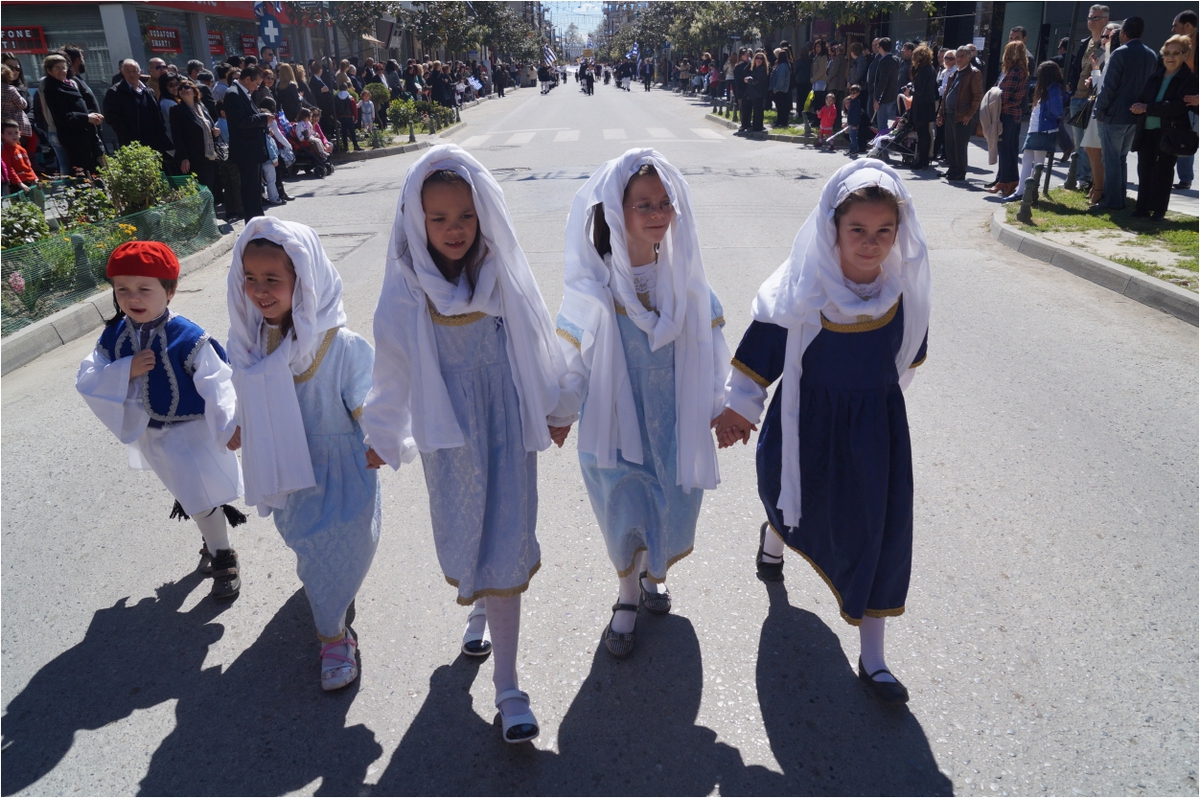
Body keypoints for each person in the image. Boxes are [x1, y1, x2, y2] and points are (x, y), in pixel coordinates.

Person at [362, 145, 572, 744]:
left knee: (506, 539)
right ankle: (478, 605)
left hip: (504, 424)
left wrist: (557, 406)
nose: (454, 230)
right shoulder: (408, 286)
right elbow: (393, 366)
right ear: (415, 220)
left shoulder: (498, 269)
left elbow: (534, 336)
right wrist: (382, 433)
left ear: (482, 216)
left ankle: (509, 687)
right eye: (439, 218)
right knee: (466, 537)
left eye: (465, 216)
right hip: (448, 435)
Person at [714, 160, 929, 706]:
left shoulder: (902, 295)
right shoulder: (802, 293)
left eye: (884, 231)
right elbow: (757, 356)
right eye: (857, 229)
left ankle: (874, 656)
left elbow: (905, 358)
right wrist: (738, 409)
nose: (871, 243)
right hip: (806, 428)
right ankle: (775, 536)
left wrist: (873, 411)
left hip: (876, 436)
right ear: (833, 228)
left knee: (877, 533)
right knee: (797, 506)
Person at [555, 149, 731, 662]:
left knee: (672, 503)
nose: (657, 213)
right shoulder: (597, 288)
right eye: (643, 204)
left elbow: (712, 345)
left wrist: (723, 402)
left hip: (675, 420)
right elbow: (573, 360)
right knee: (625, 504)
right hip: (616, 419)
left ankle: (656, 575)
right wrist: (561, 411)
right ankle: (629, 594)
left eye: (664, 203)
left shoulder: (685, 281)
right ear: (616, 210)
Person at [227, 217, 380, 691]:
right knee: (310, 545)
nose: (259, 290)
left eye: (273, 279)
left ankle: (335, 638)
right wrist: (239, 425)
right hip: (287, 466)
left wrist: (377, 437)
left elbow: (368, 399)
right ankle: (329, 606)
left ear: (305, 279)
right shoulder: (254, 341)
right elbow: (245, 392)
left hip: (342, 470)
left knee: (345, 543)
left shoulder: (341, 345)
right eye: (249, 278)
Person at [76, 241, 245, 600]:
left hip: (191, 433)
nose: (132, 297)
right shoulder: (116, 335)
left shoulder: (188, 336)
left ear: (170, 290)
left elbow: (219, 381)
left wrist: (229, 423)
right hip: (152, 435)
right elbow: (89, 377)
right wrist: (126, 369)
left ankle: (223, 554)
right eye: (122, 289)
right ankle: (211, 536)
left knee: (199, 496)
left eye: (143, 288)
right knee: (189, 493)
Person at [1092, 16, 1161, 211]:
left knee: (1112, 159)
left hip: (1114, 115)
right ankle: (1118, 199)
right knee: (1120, 158)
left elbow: (1109, 86)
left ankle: (1113, 201)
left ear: (1123, 33)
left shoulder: (1120, 53)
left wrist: (1100, 110)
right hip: (1137, 115)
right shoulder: (1151, 54)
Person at [1131, 35, 1198, 218]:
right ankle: (1141, 208)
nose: (1170, 57)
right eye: (1167, 53)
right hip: (1147, 129)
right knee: (1144, 169)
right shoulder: (1156, 75)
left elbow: (1177, 106)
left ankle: (1159, 210)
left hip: (1169, 131)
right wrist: (1138, 106)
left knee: (1164, 172)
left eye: (1176, 53)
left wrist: (1148, 107)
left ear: (1185, 55)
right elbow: (1144, 98)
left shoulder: (1189, 79)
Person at [1004, 61, 1066, 201]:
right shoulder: (1048, 88)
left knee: (1037, 161)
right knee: (1029, 159)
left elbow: (1057, 110)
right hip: (1037, 128)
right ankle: (1023, 191)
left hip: (1044, 129)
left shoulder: (1053, 89)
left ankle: (1028, 192)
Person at [1067, 5, 1112, 192]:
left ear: (1105, 20)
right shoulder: (1085, 42)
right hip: (1077, 98)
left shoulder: (1108, 45)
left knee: (1089, 144)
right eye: (1090, 17)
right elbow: (1076, 67)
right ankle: (1081, 177)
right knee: (1079, 143)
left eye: (1096, 18)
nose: (1091, 21)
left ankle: (1087, 179)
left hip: (1092, 100)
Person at [38, 53, 104, 173]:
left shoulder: (68, 83)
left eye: (63, 67)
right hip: (73, 138)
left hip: (84, 134)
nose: (61, 71)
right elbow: (63, 116)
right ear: (49, 70)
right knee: (79, 171)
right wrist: (87, 118)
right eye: (57, 68)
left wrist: (92, 114)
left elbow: (79, 107)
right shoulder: (52, 88)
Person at [224, 64, 271, 221]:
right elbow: (242, 121)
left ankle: (258, 218)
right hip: (246, 151)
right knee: (249, 189)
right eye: (256, 83)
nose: (257, 88)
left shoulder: (244, 93)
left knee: (255, 188)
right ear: (246, 79)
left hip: (252, 150)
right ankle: (253, 222)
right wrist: (263, 119)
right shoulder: (233, 94)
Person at [986, 41, 1029, 196]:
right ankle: (1012, 180)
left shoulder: (1014, 72)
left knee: (1005, 148)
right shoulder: (1021, 70)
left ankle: (1005, 180)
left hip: (1007, 113)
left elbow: (1004, 94)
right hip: (1014, 114)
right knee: (1010, 149)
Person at [938, 46, 983, 182]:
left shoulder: (974, 73)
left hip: (962, 115)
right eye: (957, 55)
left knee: (960, 145)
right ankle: (952, 169)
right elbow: (946, 95)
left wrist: (970, 114)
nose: (958, 58)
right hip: (950, 113)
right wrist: (941, 113)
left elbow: (978, 95)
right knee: (949, 144)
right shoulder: (954, 73)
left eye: (962, 56)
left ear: (969, 57)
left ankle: (960, 171)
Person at [104, 59, 169, 153]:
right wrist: (127, 135)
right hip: (133, 144)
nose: (131, 74)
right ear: (122, 72)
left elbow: (157, 113)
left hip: (154, 141)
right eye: (128, 71)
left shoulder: (148, 90)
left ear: (140, 72)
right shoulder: (115, 92)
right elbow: (111, 118)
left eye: (134, 71)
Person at [170, 79, 220, 196]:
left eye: (186, 87)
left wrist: (215, 132)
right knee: (198, 190)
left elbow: (208, 127)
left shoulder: (201, 107)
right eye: (180, 88)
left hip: (209, 156)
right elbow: (177, 136)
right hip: (193, 159)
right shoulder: (177, 110)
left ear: (194, 91)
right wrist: (184, 158)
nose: (183, 90)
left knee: (209, 189)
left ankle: (209, 214)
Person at [1172, 10, 1198, 189]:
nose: (1173, 29)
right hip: (1177, 100)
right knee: (1180, 135)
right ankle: (1184, 178)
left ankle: (1185, 178)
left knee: (1188, 136)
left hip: (1195, 101)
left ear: (1187, 26)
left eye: (1176, 26)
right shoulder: (1174, 45)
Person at [908, 44, 938, 170]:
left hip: (923, 104)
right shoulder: (929, 68)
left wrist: (910, 91)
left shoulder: (924, 69)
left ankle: (923, 159)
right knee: (924, 132)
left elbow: (919, 90)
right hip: (926, 104)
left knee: (923, 133)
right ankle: (923, 158)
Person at [873, 38, 901, 133]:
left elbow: (882, 82)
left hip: (884, 98)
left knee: (882, 124)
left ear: (880, 47)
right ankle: (882, 144)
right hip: (891, 96)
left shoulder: (886, 62)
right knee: (883, 123)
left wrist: (877, 99)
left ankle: (882, 145)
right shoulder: (893, 60)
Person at [2, 119, 38, 191]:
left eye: (16, 132)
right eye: (9, 133)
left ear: (20, 133)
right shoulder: (4, 151)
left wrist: (35, 177)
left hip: (30, 180)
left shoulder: (22, 149)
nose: (14, 135)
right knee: (20, 202)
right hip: (17, 184)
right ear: (2, 135)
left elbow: (28, 166)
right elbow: (9, 169)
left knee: (36, 201)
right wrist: (19, 183)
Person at [742, 50, 769, 133]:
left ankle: (757, 127)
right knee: (755, 110)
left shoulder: (762, 69)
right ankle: (755, 126)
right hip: (753, 93)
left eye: (761, 58)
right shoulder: (754, 68)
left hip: (759, 93)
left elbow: (758, 81)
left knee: (758, 111)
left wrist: (748, 80)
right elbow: (744, 71)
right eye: (757, 57)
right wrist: (751, 63)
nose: (759, 59)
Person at [769, 49, 792, 128]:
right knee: (780, 107)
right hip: (783, 90)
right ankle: (780, 120)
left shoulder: (782, 66)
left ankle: (782, 121)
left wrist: (776, 88)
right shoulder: (786, 65)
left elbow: (780, 79)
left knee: (781, 107)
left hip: (781, 90)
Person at [844, 84, 864, 153]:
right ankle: (852, 149)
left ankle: (854, 149)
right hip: (851, 122)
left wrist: (855, 124)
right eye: (851, 92)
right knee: (851, 137)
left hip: (854, 123)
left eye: (854, 93)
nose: (852, 94)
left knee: (853, 137)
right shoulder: (852, 101)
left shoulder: (856, 102)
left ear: (858, 93)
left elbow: (856, 114)